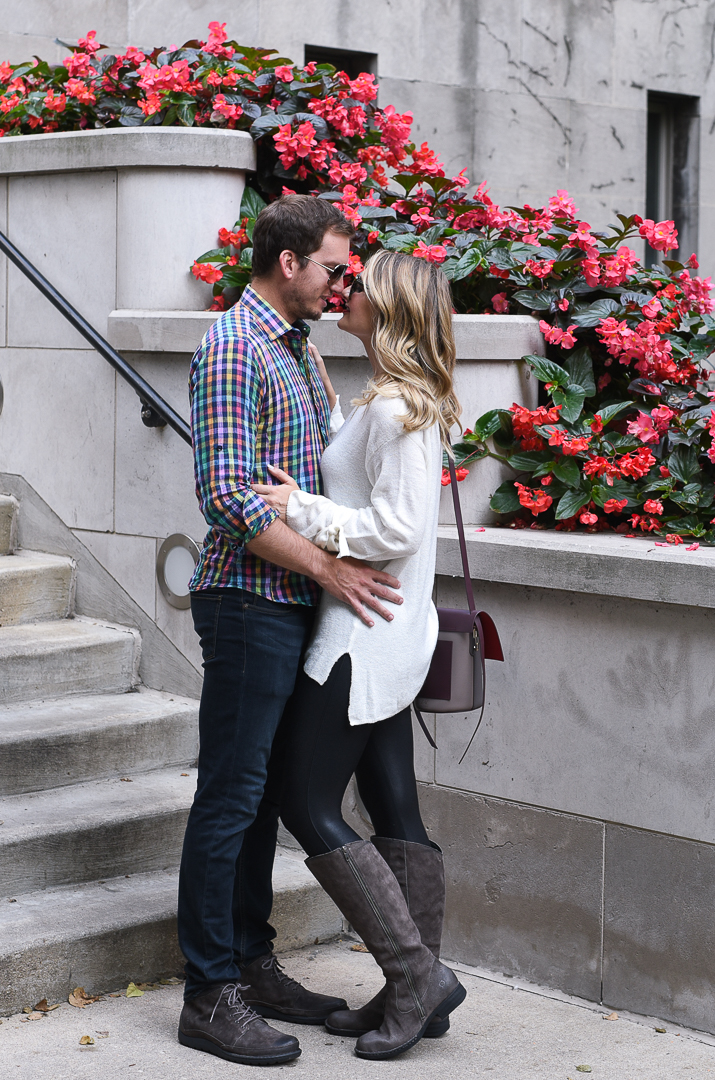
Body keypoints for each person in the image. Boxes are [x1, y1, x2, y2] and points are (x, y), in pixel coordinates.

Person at [177, 195, 404, 1068]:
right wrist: (330, 568)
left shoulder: (298, 347)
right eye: (332, 269)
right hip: (246, 601)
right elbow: (228, 498)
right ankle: (209, 993)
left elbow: (311, 475)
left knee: (266, 798)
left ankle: (251, 962)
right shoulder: (234, 350)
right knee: (230, 797)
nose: (340, 283)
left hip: (293, 605)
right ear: (288, 264)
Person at [253, 250, 467, 1061]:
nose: (346, 294)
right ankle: (415, 990)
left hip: (358, 637)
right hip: (381, 634)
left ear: (389, 311)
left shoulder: (398, 408)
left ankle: (415, 977)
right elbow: (373, 497)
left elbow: (396, 529)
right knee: (395, 811)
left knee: (304, 803)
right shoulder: (392, 402)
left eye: (361, 289)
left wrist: (299, 509)